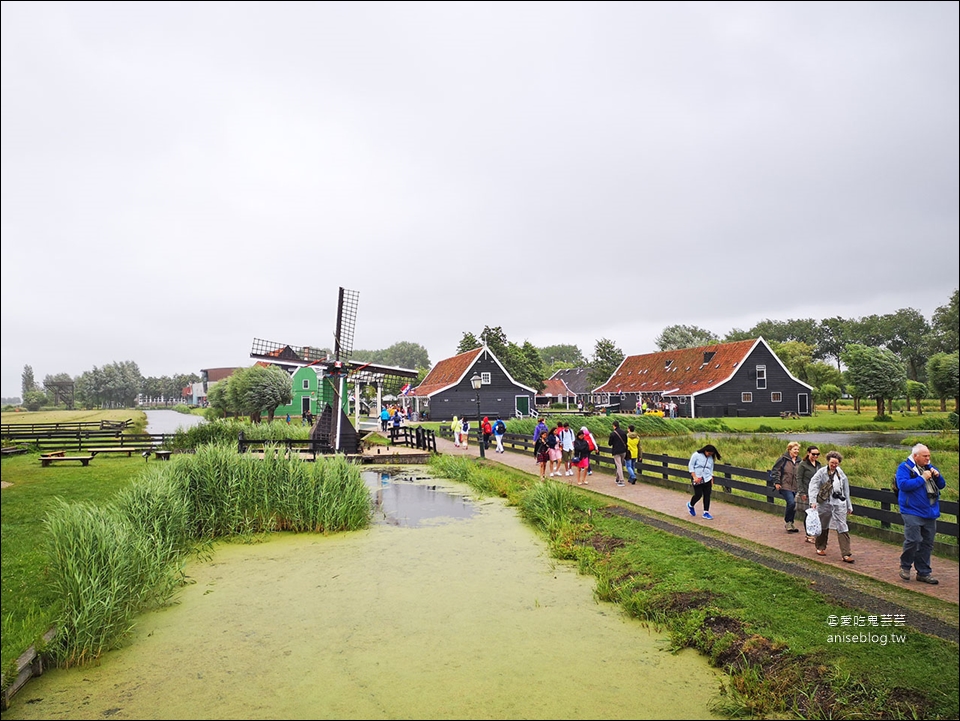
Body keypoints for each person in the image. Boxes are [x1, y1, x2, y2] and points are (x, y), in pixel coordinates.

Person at [896, 443, 945, 584]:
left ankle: (923, 572)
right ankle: (905, 566)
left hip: (930, 511)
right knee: (914, 540)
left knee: (927, 543)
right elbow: (903, 485)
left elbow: (941, 485)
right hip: (911, 510)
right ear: (915, 456)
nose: (928, 458)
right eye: (925, 456)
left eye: (929, 456)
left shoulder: (930, 467)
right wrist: (922, 478)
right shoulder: (904, 468)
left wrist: (937, 475)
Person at [808, 451, 854, 563]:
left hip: (839, 503)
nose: (834, 465)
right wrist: (813, 501)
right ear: (828, 461)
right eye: (832, 462)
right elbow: (813, 486)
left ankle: (846, 554)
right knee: (823, 525)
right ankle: (820, 547)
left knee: (842, 526)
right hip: (824, 503)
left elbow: (846, 490)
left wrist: (849, 505)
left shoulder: (841, 474)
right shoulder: (821, 473)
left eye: (836, 463)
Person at [771, 441, 803, 533]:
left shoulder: (799, 461)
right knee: (791, 502)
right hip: (785, 485)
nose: (797, 451)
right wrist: (777, 482)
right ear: (790, 449)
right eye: (795, 449)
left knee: (795, 504)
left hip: (796, 487)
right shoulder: (783, 459)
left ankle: (791, 523)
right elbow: (776, 470)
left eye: (798, 449)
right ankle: (788, 522)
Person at [687, 444, 721, 520]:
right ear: (705, 451)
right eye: (709, 453)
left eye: (711, 454)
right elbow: (691, 466)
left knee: (707, 495)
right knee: (698, 494)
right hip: (697, 477)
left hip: (707, 478)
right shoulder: (696, 455)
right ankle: (691, 505)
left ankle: (706, 512)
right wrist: (694, 476)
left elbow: (711, 468)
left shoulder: (711, 458)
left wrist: (711, 477)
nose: (710, 455)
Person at [796, 446, 822, 543]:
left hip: (816, 493)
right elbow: (799, 478)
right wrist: (802, 492)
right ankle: (809, 535)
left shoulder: (819, 465)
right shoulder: (803, 465)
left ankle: (816, 534)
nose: (815, 456)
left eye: (817, 454)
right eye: (813, 454)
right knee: (809, 514)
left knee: (816, 514)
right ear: (808, 453)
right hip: (807, 492)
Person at [608, 421, 628, 487]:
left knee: (619, 465)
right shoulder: (623, 432)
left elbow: (610, 443)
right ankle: (617, 478)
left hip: (616, 451)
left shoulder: (613, 434)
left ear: (614, 426)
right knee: (620, 465)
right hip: (623, 451)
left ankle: (621, 481)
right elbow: (626, 441)